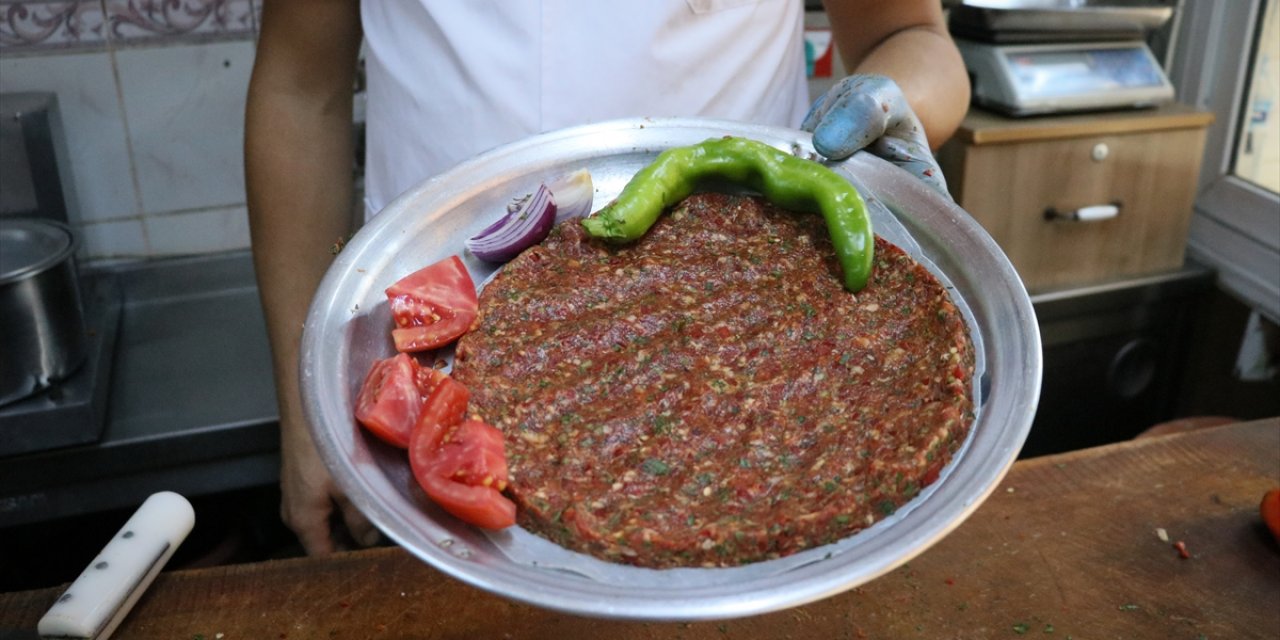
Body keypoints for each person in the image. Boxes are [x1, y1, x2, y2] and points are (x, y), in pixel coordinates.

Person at [245, 0, 970, 556]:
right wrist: (309, 400)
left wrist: (896, 103)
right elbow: (299, 88)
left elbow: (910, 34)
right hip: (429, 343)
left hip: (767, 322)